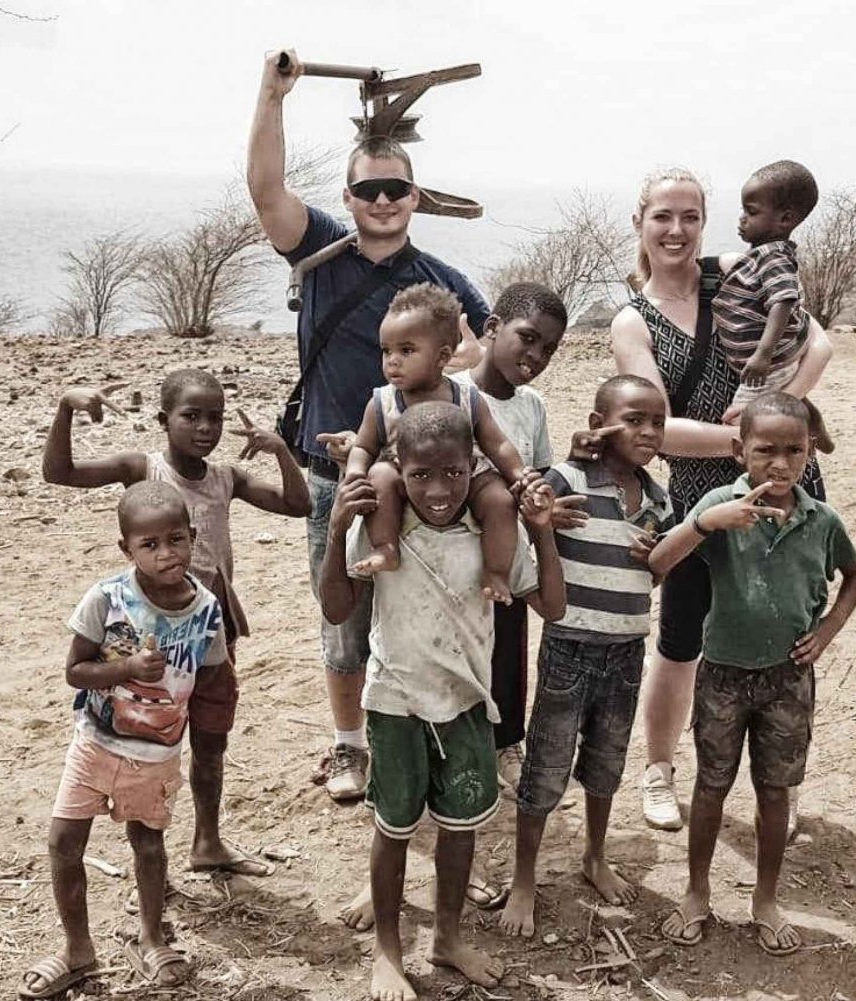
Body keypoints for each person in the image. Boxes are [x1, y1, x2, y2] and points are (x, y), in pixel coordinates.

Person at [247, 48, 491, 802]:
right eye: (368, 189)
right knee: (345, 612)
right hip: (335, 477)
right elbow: (264, 188)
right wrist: (273, 95)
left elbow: (486, 357)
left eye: (396, 188)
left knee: (426, 614)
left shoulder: (444, 284)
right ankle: (350, 743)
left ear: (416, 196)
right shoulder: (318, 251)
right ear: (349, 197)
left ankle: (427, 731)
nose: (383, 200)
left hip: (427, 484)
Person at [605, 167, 834, 832]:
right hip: (699, 501)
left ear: (704, 222)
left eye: (690, 217)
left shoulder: (736, 270)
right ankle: (658, 772)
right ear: (640, 225)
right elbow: (655, 427)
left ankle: (781, 783)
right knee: (679, 642)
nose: (676, 230)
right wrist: (746, 444)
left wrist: (776, 421)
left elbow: (818, 342)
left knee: (788, 638)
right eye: (662, 217)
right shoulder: (633, 321)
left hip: (785, 492)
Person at [318, 402, 565, 1001]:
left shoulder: (491, 531)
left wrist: (543, 528)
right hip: (395, 700)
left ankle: (447, 937)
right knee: (394, 828)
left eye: (454, 474)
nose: (438, 490)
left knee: (460, 829)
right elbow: (335, 609)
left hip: (466, 703)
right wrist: (333, 530)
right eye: (421, 475)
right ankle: (388, 949)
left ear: (473, 465)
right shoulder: (384, 529)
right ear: (397, 468)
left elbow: (553, 607)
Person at [42, 368, 310, 878]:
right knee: (140, 743)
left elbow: (300, 505)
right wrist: (65, 408)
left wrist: (280, 451)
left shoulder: (226, 479)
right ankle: (148, 860)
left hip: (210, 634)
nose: (205, 428)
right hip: (146, 641)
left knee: (210, 743)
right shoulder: (142, 468)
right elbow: (60, 472)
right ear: (165, 420)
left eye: (215, 417)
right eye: (191, 416)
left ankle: (207, 842)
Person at [647, 392, 856, 954]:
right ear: (740, 450)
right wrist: (705, 521)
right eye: (765, 450)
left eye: (795, 451)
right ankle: (697, 893)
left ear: (810, 453)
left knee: (775, 792)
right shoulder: (723, 505)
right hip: (722, 674)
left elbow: (855, 576)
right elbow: (659, 562)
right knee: (710, 787)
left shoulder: (821, 519)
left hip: (787, 681)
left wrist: (827, 632)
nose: (780, 463)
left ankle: (765, 899)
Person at [20, 482, 223, 998]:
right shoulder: (107, 598)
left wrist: (206, 738)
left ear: (193, 537)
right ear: (126, 549)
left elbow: (214, 678)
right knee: (64, 843)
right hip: (94, 742)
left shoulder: (206, 609)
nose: (165, 554)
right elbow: (75, 671)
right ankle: (77, 949)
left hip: (156, 753)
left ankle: (152, 936)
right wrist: (126, 668)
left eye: (176, 540)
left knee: (147, 843)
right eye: (149, 545)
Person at [498, 375, 675, 939]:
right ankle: (524, 878)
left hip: (626, 649)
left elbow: (654, 574)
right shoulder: (568, 478)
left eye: (657, 422)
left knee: (606, 764)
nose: (648, 431)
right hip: (569, 648)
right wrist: (541, 518)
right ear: (599, 425)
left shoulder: (658, 496)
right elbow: (529, 519)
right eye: (635, 419)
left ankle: (594, 857)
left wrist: (660, 557)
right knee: (546, 769)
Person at [344, 283, 539, 602]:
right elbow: (364, 446)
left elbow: (497, 444)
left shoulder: (467, 397)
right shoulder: (382, 403)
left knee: (500, 499)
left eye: (406, 351)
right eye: (386, 350)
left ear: (443, 356)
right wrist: (354, 472)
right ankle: (386, 547)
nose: (392, 361)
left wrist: (519, 474)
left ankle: (496, 572)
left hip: (462, 477)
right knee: (380, 476)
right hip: (406, 479)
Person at [451, 282, 567, 798]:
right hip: (453, 558)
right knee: (455, 656)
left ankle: (506, 744)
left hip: (511, 559)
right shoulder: (448, 392)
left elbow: (538, 471)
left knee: (508, 653)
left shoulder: (533, 405)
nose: (535, 355)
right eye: (527, 338)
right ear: (492, 328)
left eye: (548, 349)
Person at [712, 160, 833, 451]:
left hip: (770, 361)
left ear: (785, 219)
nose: (742, 219)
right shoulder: (761, 256)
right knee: (779, 395)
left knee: (739, 418)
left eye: (751, 212)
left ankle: (799, 433)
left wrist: (762, 354)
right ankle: (811, 419)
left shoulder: (773, 256)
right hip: (771, 362)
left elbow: (784, 301)